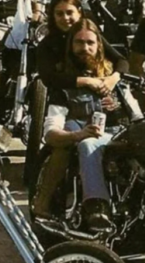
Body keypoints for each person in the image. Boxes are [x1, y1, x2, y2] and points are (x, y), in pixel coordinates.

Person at [29, 0, 128, 188]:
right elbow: (48, 78)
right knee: (60, 142)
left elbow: (121, 60)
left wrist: (112, 79)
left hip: (99, 95)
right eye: (59, 13)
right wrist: (85, 81)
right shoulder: (47, 44)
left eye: (69, 12)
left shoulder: (89, 33)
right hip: (64, 98)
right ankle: (43, 195)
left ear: (79, 12)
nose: (65, 18)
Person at [38, 19, 127, 231]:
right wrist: (79, 135)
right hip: (85, 140)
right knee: (88, 144)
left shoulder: (116, 80)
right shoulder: (63, 86)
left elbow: (138, 117)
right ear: (71, 46)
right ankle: (97, 207)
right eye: (79, 43)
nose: (85, 48)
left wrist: (120, 105)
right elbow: (51, 132)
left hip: (120, 137)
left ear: (99, 46)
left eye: (90, 43)